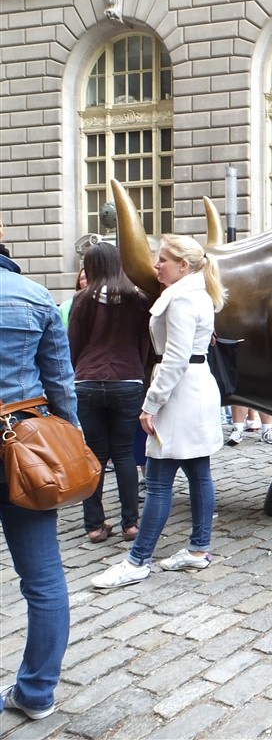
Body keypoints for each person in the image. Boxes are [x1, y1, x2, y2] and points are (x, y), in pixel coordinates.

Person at [91, 234, 227, 588]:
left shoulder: (182, 298)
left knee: (160, 480)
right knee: (198, 472)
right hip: (193, 388)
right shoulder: (196, 294)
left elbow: (175, 359)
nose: (156, 265)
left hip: (181, 393)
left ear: (183, 265)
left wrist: (150, 404)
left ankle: (138, 560)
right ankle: (197, 549)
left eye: (163, 259)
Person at [0, 226, 75, 720]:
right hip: (25, 449)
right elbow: (61, 383)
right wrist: (72, 444)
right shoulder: (34, 295)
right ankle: (36, 692)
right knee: (43, 577)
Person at [68, 243, 151, 542]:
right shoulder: (137, 299)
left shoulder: (81, 300)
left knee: (95, 455)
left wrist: (80, 370)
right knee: (125, 453)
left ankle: (94, 526)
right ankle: (130, 524)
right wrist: (135, 370)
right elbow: (144, 343)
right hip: (127, 379)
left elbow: (73, 344)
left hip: (87, 381)